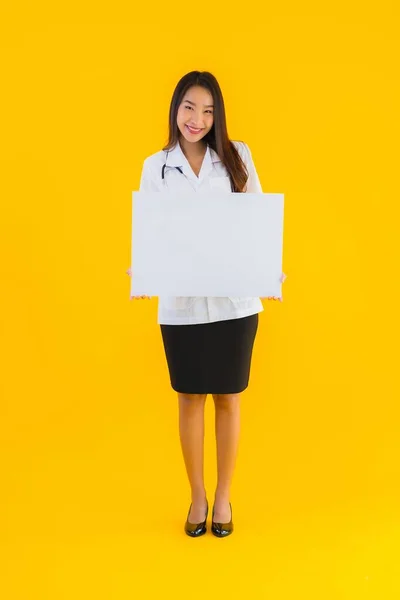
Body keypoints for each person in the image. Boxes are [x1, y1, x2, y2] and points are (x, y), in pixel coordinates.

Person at [127, 70, 286, 537]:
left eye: (208, 110)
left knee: (228, 398)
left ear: (218, 116)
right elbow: (151, 233)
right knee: (190, 397)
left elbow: (257, 220)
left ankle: (223, 497)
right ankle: (196, 496)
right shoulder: (155, 166)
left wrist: (270, 270)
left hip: (234, 303)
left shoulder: (238, 158)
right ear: (175, 108)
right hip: (181, 304)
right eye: (189, 107)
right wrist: (143, 270)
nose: (197, 119)